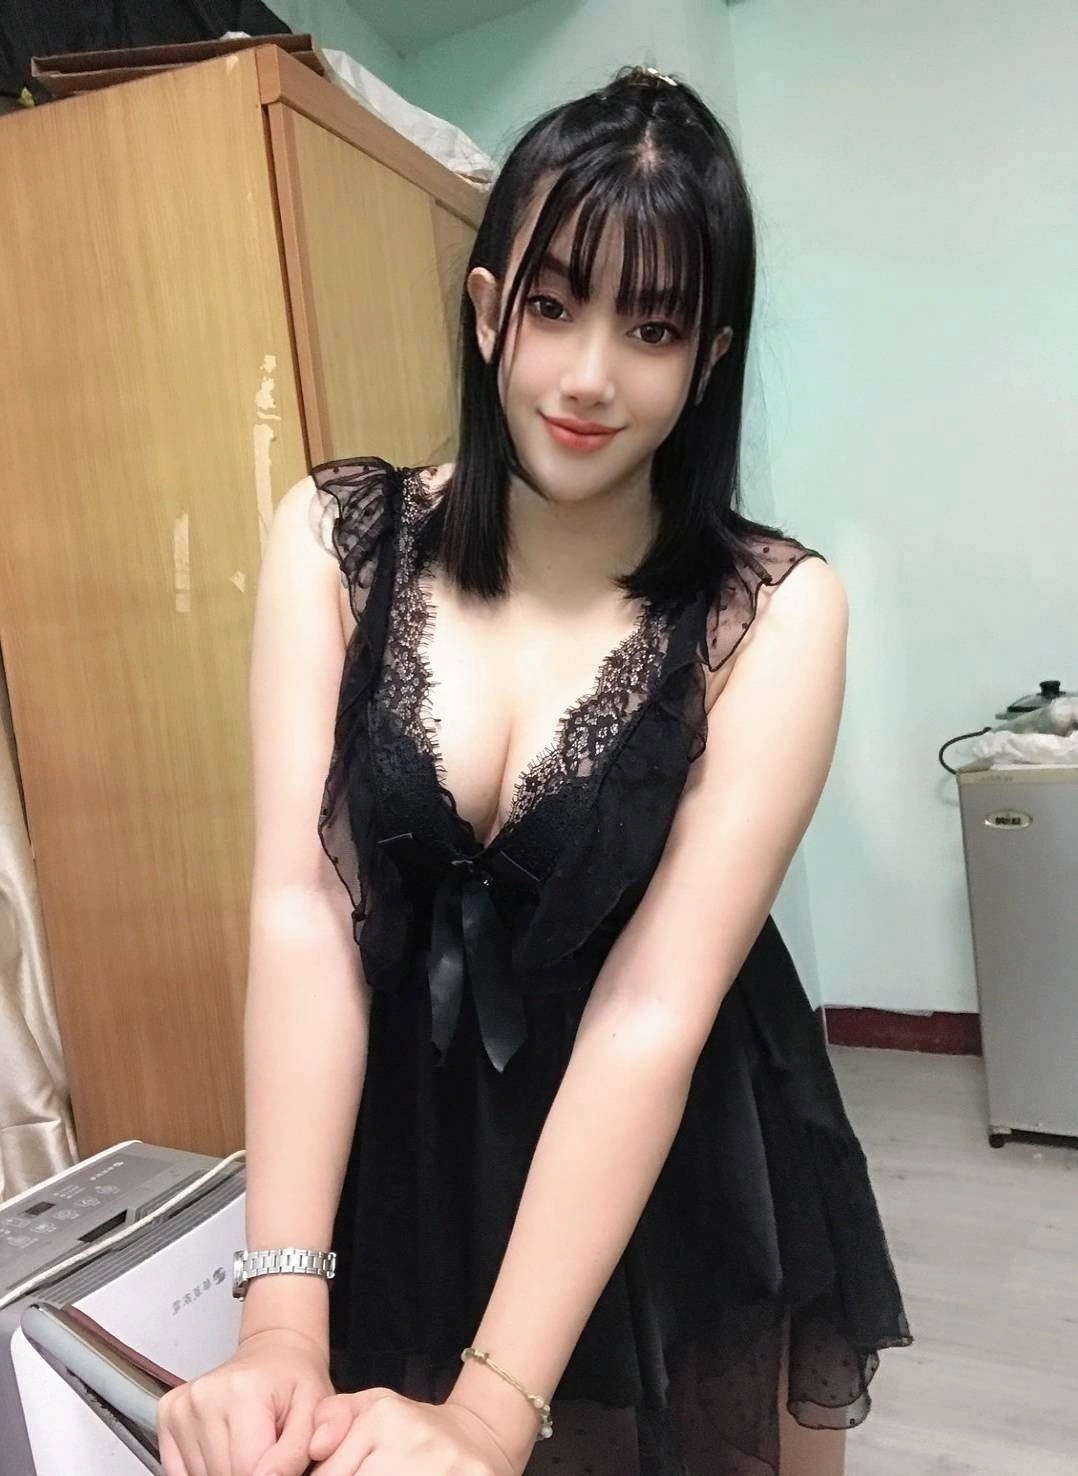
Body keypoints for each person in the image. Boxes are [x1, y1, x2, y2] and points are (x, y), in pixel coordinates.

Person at [158, 62, 910, 1476]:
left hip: (664, 1152)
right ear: (486, 305)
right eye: (554, 305)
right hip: (408, 1146)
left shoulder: (776, 611)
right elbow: (305, 911)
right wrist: (280, 1319)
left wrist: (491, 1409)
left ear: (709, 357)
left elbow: (652, 1007)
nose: (587, 376)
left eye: (652, 326)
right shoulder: (336, 538)